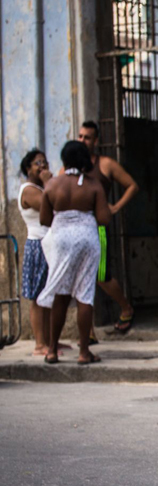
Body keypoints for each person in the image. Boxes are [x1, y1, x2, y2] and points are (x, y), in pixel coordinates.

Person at [37, 141, 111, 365]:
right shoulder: (93, 185)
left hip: (61, 239)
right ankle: (83, 352)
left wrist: (64, 221)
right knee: (85, 295)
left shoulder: (52, 185)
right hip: (88, 240)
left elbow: (44, 219)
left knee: (61, 292)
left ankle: (51, 350)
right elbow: (104, 219)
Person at [76, 120, 137, 335]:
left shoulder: (106, 164)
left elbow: (131, 185)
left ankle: (126, 307)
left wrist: (115, 207)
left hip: (98, 228)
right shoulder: (71, 165)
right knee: (80, 279)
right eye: (80, 136)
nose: (83, 141)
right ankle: (88, 333)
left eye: (88, 137)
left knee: (101, 276)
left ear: (96, 141)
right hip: (76, 230)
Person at [16, 148, 65, 357]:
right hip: (38, 244)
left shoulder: (39, 187)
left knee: (49, 295)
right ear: (28, 169)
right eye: (37, 163)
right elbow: (51, 204)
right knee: (37, 297)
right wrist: (49, 183)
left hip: (49, 243)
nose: (43, 166)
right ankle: (39, 344)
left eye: (44, 162)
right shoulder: (29, 190)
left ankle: (49, 340)